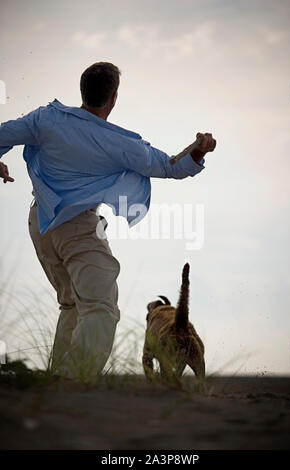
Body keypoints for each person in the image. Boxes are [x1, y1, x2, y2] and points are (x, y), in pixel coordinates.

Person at [0, 62, 216, 381]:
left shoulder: (46, 118)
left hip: (40, 224)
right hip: (79, 229)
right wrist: (200, 150)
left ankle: (57, 378)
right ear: (113, 98)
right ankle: (76, 380)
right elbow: (170, 166)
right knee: (100, 308)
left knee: (71, 303)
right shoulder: (120, 143)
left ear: (82, 91)